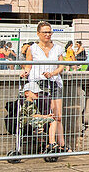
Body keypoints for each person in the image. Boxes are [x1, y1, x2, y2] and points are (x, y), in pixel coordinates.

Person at [21, 21, 67, 153]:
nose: (48, 34)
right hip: (38, 84)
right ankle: (46, 144)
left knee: (58, 116)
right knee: (43, 115)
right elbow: (28, 64)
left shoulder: (57, 48)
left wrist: (52, 73)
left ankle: (62, 145)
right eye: (45, 32)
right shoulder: (32, 48)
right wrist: (25, 71)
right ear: (38, 34)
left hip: (54, 82)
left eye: (49, 32)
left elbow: (61, 66)